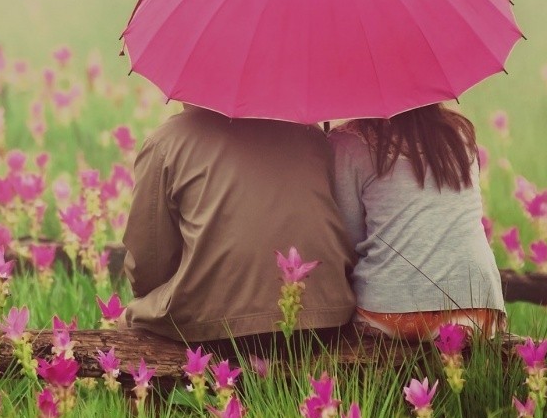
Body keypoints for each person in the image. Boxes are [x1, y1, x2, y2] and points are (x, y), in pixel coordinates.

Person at [122, 104, 357, 346]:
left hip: (215, 330)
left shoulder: (167, 141)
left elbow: (148, 264)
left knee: (129, 318)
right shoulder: (313, 134)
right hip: (326, 324)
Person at [326, 103, 505, 340]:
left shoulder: (347, 143)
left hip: (392, 315)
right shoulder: (459, 134)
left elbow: (348, 241)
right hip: (479, 311)